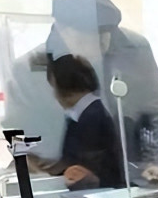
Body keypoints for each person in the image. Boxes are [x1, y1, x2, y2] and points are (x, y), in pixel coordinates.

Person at [3, 0, 158, 186]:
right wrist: (64, 174)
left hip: (129, 174)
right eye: (86, 40)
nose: (98, 48)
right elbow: (21, 136)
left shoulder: (133, 49)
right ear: (63, 32)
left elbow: (155, 112)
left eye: (104, 39)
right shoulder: (30, 68)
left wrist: (151, 163)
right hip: (63, 179)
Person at [46, 54, 124, 190]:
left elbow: (85, 170)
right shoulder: (88, 113)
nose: (54, 95)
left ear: (64, 87)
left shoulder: (92, 118)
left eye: (54, 87)